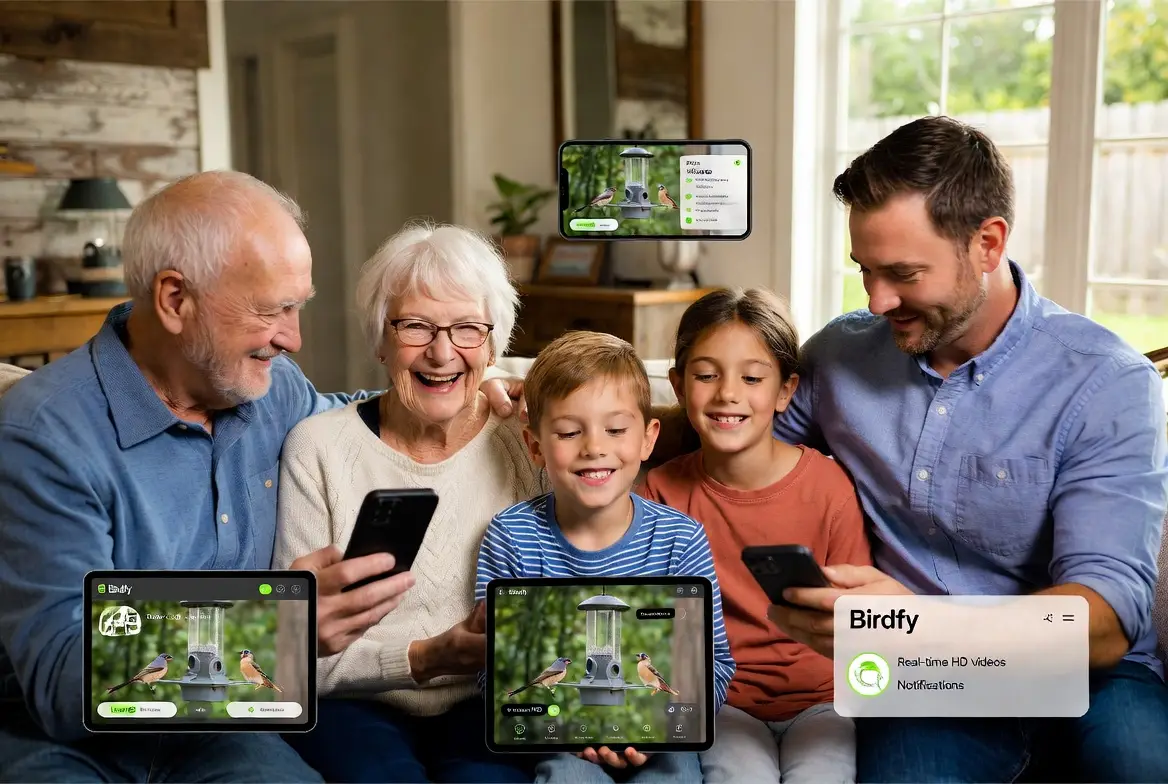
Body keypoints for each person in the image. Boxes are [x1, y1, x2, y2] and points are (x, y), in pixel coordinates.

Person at [0, 172, 516, 782]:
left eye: (297, 306)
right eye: (272, 310)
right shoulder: (43, 435)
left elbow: (368, 414)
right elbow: (62, 681)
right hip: (69, 742)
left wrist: (512, 386)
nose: (292, 338)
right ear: (174, 300)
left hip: (223, 729)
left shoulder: (270, 390)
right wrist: (275, 629)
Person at [765, 116, 1168, 782]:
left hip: (1095, 677)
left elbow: (1105, 623)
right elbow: (743, 458)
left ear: (988, 243)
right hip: (925, 685)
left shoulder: (1106, 380)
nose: (877, 298)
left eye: (903, 273)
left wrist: (909, 626)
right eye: (864, 271)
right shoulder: (840, 356)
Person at [270, 222, 549, 783]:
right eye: (415, 326)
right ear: (379, 338)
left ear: (493, 345)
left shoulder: (531, 441)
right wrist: (425, 656)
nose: (442, 352)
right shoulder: (318, 449)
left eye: (468, 328)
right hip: (354, 706)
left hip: (488, 703)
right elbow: (290, 655)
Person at [475, 330, 736, 784]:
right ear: (535, 446)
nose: (594, 446)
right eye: (569, 432)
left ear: (647, 439)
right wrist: (565, 731)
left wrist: (649, 729)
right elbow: (488, 671)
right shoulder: (511, 536)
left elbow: (715, 666)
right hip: (558, 736)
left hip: (660, 735)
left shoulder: (681, 538)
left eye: (615, 430)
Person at [640, 287, 869, 783]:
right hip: (722, 703)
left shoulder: (829, 487)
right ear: (678, 386)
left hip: (823, 702)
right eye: (706, 375)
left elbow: (855, 618)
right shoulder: (658, 491)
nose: (727, 393)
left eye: (751, 377)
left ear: (785, 390)